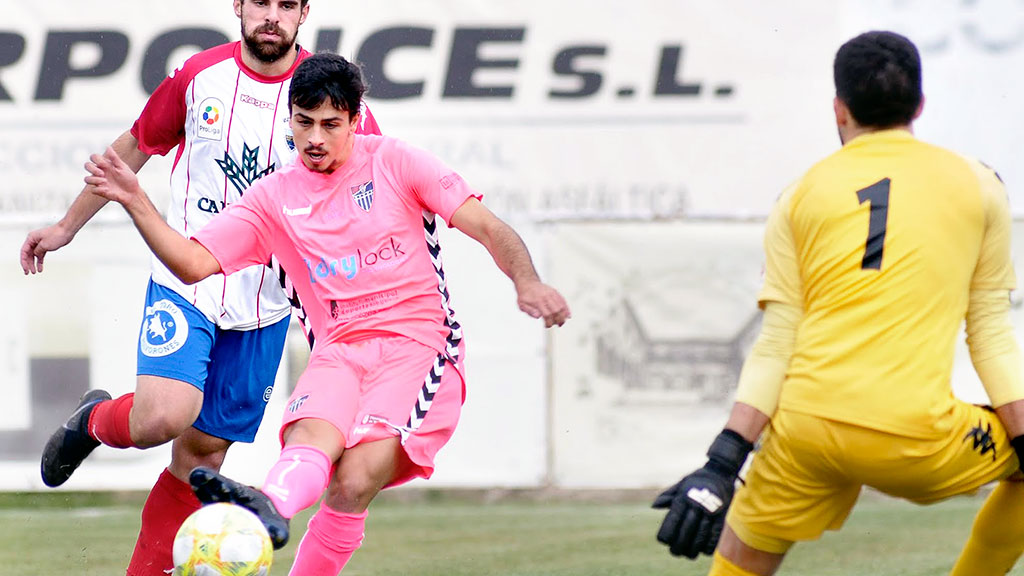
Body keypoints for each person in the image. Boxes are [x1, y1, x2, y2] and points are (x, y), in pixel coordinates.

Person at [84, 51, 571, 575]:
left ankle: (268, 502)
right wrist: (135, 199)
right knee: (308, 441)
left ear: (355, 121)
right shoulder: (273, 197)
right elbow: (193, 263)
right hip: (338, 350)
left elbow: (490, 227)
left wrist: (527, 281)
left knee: (354, 479)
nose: (314, 138)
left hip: (418, 347)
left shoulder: (397, 162)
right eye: (303, 122)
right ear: (289, 118)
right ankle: (267, 504)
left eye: (331, 124)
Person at [19, 2, 381, 575]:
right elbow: (133, 148)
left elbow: (373, 185)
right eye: (260, 1)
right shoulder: (199, 77)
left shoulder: (324, 94)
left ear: (304, 12)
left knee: (199, 457)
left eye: (286, 4)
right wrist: (67, 225)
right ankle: (93, 422)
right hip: (187, 277)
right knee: (163, 417)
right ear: (238, 6)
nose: (272, 16)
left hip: (263, 304)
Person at [653, 30, 1024, 575]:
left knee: (742, 559)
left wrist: (723, 459)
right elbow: (990, 332)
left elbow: (778, 341)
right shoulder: (980, 185)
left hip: (807, 429)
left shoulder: (801, 193)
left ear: (839, 108)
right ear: (919, 105)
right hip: (914, 435)